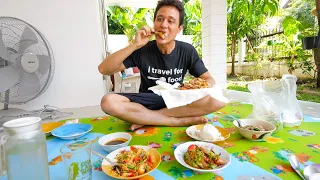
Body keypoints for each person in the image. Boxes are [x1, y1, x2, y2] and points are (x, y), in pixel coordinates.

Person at [98, 0, 226, 130]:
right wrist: (135, 45)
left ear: (179, 29)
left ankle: (150, 118)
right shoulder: (142, 49)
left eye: (170, 21)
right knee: (108, 102)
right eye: (160, 19)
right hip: (148, 101)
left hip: (176, 101)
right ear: (154, 23)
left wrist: (195, 87)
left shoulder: (187, 51)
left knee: (218, 99)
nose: (163, 25)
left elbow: (210, 79)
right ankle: (174, 121)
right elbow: (104, 69)